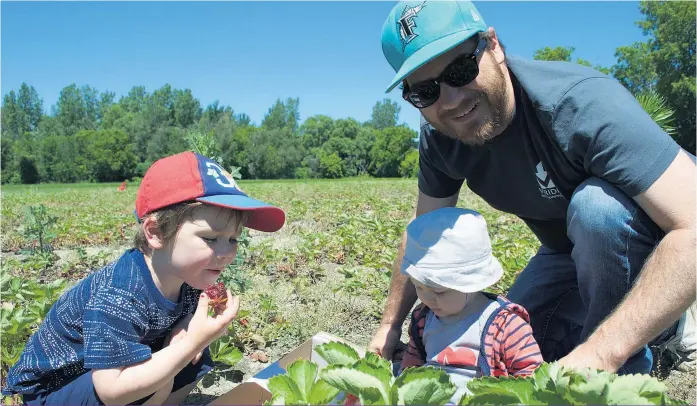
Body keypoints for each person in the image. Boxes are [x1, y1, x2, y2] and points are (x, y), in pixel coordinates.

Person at [370, 0, 696, 375]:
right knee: (502, 340)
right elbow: (423, 232)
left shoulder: (580, 105)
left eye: (460, 69)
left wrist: (603, 352)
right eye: (425, 91)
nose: (451, 100)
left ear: (493, 46)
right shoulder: (441, 136)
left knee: (597, 210)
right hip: (562, 253)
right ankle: (599, 317)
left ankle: (667, 329)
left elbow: (692, 222)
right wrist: (389, 326)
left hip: (643, 242)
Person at [2, 151, 286, 405]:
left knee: (192, 359)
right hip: (55, 389)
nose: (225, 253)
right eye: (211, 238)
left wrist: (187, 329)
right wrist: (191, 342)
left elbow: (185, 318)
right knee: (162, 378)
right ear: (157, 233)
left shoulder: (188, 274)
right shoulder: (122, 293)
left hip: (103, 371)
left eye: (234, 240)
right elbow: (111, 389)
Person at [398, 207, 542, 403]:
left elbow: (530, 374)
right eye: (419, 287)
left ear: (472, 282)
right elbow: (413, 361)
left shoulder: (505, 326)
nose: (428, 298)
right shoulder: (424, 318)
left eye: (440, 291)